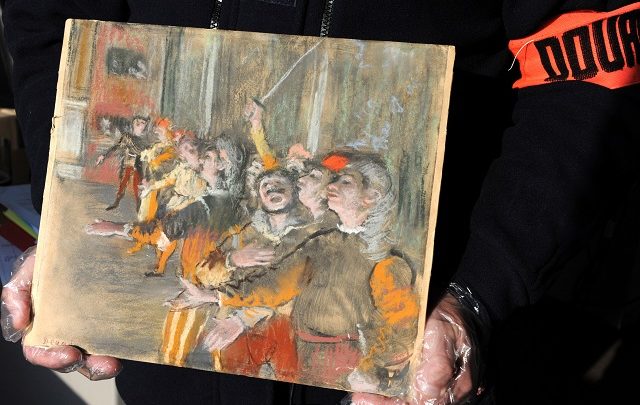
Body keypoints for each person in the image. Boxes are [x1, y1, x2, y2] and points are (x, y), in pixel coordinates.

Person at [2, 1, 639, 404]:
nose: (324, 191)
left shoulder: (344, 236)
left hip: (429, 345)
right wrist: (64, 222)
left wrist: (480, 290)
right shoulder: (252, 205)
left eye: (338, 187)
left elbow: (589, 64)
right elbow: (49, 22)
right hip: (177, 362)